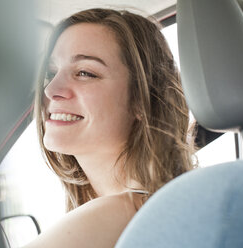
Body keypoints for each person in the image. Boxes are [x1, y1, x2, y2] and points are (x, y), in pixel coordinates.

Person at [26, 8, 195, 248]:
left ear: (141, 99)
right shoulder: (162, 206)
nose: (51, 90)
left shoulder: (118, 213)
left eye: (85, 73)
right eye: (51, 73)